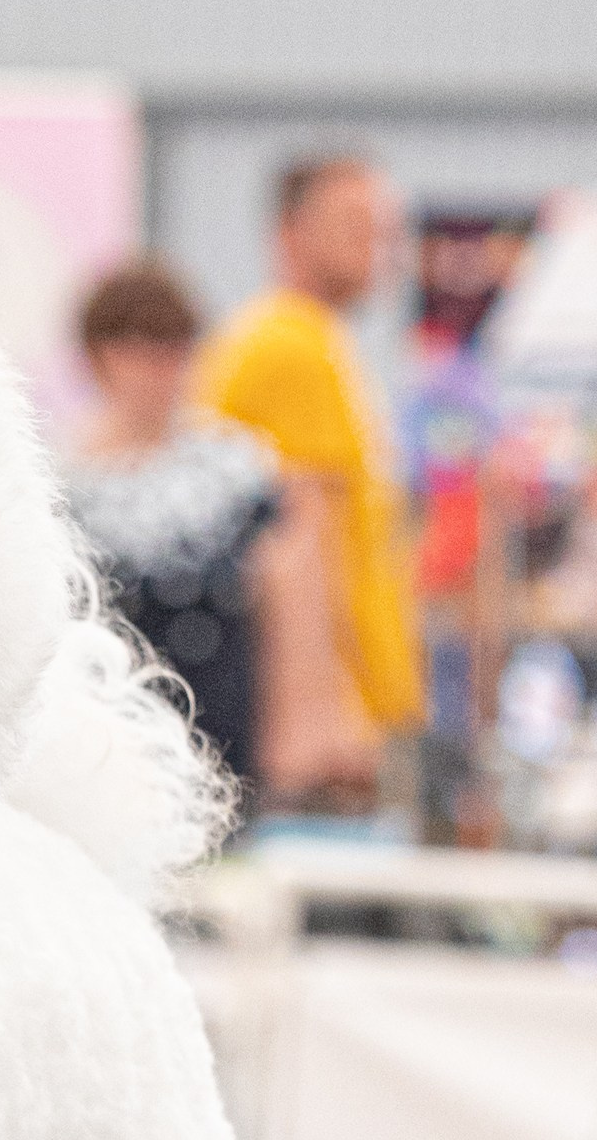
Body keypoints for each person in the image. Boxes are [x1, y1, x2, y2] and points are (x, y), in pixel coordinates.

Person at [196, 154, 427, 812]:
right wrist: (330, 714)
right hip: (333, 726)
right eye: (353, 223)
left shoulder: (307, 341)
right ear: (290, 233)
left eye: (383, 225)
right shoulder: (293, 346)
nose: (378, 243)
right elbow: (305, 537)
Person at [62, 259, 281, 794]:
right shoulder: (60, 484)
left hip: (224, 733)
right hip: (106, 738)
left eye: (174, 350)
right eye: (141, 352)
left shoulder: (234, 468)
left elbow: (287, 599)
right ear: (99, 357)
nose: (160, 371)